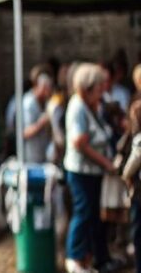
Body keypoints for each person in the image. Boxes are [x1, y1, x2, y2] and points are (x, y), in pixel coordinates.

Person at [64, 63, 118, 273]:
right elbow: (80, 143)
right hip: (81, 171)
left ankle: (89, 258)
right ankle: (75, 258)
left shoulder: (91, 105)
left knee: (92, 215)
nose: (101, 92)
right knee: (83, 212)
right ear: (87, 88)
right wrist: (105, 162)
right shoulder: (78, 107)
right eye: (98, 88)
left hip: (92, 171)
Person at [122, 101, 141, 273]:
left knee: (138, 232)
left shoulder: (139, 140)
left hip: (139, 194)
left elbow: (131, 166)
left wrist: (125, 175)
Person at [21, 73, 54, 163]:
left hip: (43, 154)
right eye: (47, 90)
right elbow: (25, 132)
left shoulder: (46, 102)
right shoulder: (29, 103)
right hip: (31, 157)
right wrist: (41, 123)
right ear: (41, 87)